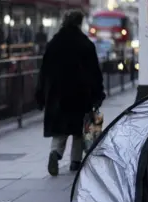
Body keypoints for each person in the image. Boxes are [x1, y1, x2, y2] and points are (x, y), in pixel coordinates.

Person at [35, 10, 105, 176]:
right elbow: (94, 73)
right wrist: (98, 94)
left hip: (57, 96)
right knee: (80, 130)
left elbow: (43, 72)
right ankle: (75, 162)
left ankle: (55, 153)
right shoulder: (85, 44)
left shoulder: (53, 44)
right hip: (80, 95)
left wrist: (40, 96)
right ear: (80, 23)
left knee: (60, 130)